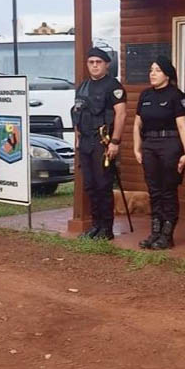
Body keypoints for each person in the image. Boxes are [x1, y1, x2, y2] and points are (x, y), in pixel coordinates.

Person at [133, 56, 185, 249]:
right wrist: (137, 148)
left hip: (170, 144)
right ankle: (155, 232)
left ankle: (167, 235)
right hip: (149, 145)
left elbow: (182, 126)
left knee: (168, 190)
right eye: (151, 70)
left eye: (157, 70)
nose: (153, 74)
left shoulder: (176, 95)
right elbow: (137, 124)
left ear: (167, 75)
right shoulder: (145, 95)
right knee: (154, 190)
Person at [71, 46, 127, 240]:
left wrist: (115, 142)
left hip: (103, 142)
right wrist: (77, 138)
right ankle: (95, 225)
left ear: (106, 65)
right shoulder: (83, 87)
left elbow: (121, 114)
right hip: (86, 141)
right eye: (91, 62)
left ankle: (106, 228)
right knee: (90, 185)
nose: (94, 66)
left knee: (103, 185)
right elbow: (77, 114)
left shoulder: (113, 86)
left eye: (98, 62)